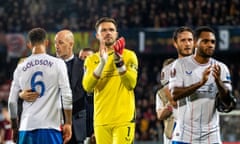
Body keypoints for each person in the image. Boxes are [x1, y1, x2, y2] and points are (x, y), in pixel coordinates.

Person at [169, 26, 236, 143]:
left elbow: (227, 101)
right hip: (184, 136)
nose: (210, 45)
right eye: (205, 41)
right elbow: (175, 94)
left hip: (211, 136)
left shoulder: (221, 68)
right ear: (195, 43)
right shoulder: (180, 65)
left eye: (212, 42)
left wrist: (218, 82)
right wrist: (200, 83)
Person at [19, 29, 87, 144]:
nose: (56, 46)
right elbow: (26, 89)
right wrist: (21, 94)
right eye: (55, 43)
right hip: (49, 125)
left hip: (75, 127)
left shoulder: (83, 66)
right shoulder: (44, 64)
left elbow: (82, 95)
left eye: (60, 43)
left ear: (71, 44)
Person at [8, 28, 72, 144]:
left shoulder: (21, 66)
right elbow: (67, 95)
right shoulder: (58, 63)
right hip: (51, 127)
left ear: (29, 45)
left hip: (26, 127)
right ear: (47, 43)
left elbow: (12, 102)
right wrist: (68, 123)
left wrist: (14, 127)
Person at [82, 17, 138, 144]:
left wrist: (120, 64)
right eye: (104, 30)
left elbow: (131, 84)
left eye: (111, 30)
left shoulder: (129, 56)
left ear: (116, 34)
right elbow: (87, 86)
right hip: (101, 120)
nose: (108, 33)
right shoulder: (91, 60)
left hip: (123, 119)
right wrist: (102, 64)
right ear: (97, 35)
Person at [156, 26, 194, 144]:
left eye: (190, 40)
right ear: (175, 44)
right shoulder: (169, 73)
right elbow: (174, 102)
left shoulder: (205, 68)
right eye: (183, 40)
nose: (187, 43)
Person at [78, 48, 96, 144]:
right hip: (78, 133)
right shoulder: (73, 81)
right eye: (81, 58)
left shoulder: (102, 79)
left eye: (87, 58)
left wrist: (95, 131)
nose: (84, 61)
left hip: (98, 131)